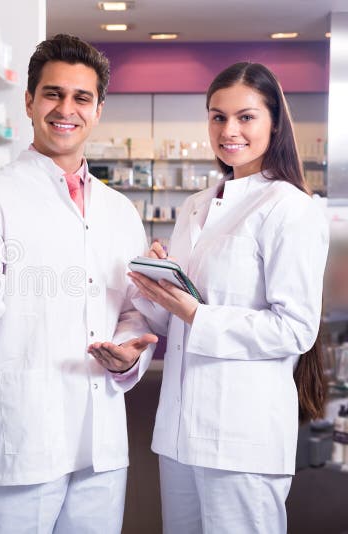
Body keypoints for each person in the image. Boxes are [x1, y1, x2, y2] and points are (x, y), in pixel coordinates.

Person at [0, 34, 158, 534]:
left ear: (98, 109)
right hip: (22, 442)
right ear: (30, 101)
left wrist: (127, 351)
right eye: (53, 93)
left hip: (98, 446)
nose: (65, 109)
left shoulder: (119, 212)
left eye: (81, 98)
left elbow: (131, 309)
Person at [128, 62, 329, 534]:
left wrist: (198, 313)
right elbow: (173, 321)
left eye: (245, 117)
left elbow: (295, 329)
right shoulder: (195, 205)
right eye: (217, 117)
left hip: (242, 436)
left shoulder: (289, 208)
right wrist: (157, 288)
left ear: (274, 122)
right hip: (179, 433)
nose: (229, 130)